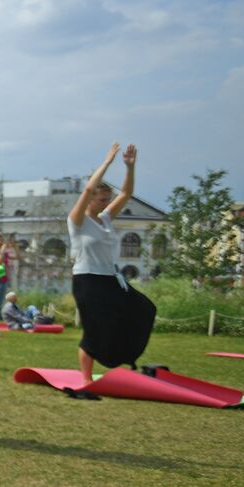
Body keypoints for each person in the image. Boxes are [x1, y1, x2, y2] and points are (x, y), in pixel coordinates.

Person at [68, 142, 155, 385]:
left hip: (110, 280)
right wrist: (106, 163)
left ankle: (120, 355)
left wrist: (129, 167)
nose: (106, 203)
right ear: (91, 199)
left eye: (108, 199)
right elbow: (87, 189)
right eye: (102, 199)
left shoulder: (105, 218)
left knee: (144, 309)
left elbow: (126, 194)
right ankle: (86, 379)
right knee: (93, 330)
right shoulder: (77, 221)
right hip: (87, 281)